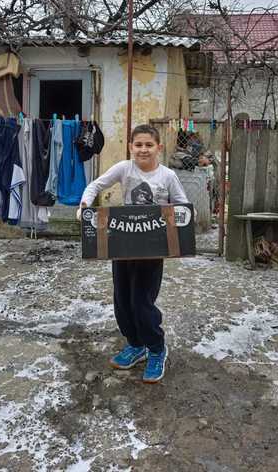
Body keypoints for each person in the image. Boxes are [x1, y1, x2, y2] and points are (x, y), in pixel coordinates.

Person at [78, 124, 188, 383]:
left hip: (152, 249)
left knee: (141, 302)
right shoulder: (124, 168)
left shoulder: (168, 176)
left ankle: (156, 349)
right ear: (130, 147)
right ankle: (136, 345)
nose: (143, 150)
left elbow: (183, 206)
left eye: (149, 145)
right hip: (122, 245)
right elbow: (95, 185)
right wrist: (84, 205)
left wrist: (176, 226)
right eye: (138, 145)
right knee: (122, 301)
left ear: (159, 148)